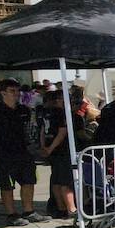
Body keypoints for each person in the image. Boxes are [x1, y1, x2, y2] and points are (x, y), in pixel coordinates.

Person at [0, 78, 50, 228]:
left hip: (24, 152)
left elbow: (32, 128)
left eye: (17, 91)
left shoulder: (24, 110)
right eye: (12, 91)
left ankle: (29, 211)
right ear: (3, 92)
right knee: (7, 185)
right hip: (2, 153)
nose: (16, 94)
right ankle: (11, 214)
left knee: (29, 181)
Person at [38, 90, 81, 220]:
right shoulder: (63, 113)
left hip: (53, 150)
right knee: (65, 182)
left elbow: (41, 131)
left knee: (56, 180)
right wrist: (49, 148)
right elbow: (62, 133)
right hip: (62, 150)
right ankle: (71, 208)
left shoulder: (45, 113)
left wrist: (44, 147)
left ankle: (61, 208)